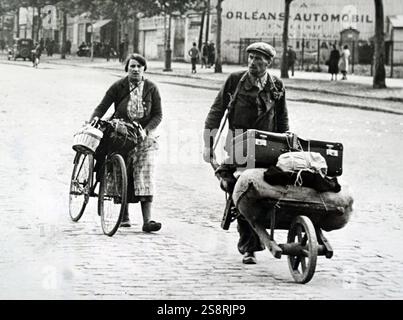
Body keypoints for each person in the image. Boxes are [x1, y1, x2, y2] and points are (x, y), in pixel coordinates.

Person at [203, 42, 289, 264]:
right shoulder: (235, 81)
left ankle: (258, 237)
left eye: (258, 59)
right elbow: (216, 112)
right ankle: (248, 247)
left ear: (268, 63)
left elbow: (282, 120)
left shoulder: (277, 86)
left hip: (266, 147)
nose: (252, 63)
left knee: (269, 189)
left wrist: (286, 146)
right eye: (250, 58)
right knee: (242, 191)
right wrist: (208, 143)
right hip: (238, 145)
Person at [90, 53, 163, 232]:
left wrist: (146, 130)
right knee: (122, 172)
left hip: (144, 137)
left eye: (139, 66)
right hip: (121, 135)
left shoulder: (151, 88)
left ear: (144, 69)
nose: (136, 69)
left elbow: (158, 114)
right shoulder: (118, 86)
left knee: (145, 173)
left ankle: (147, 221)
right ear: (127, 68)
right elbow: (102, 106)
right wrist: (93, 121)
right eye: (132, 66)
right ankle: (124, 216)